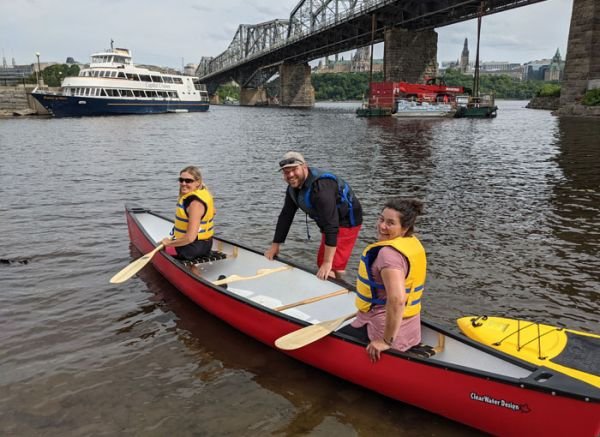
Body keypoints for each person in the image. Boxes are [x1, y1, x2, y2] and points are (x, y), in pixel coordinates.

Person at [340, 198, 426, 363]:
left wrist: (385, 341)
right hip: (410, 330)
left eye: (390, 223)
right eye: (381, 219)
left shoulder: (388, 255)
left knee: (331, 343)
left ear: (404, 228)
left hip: (381, 330)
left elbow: (397, 300)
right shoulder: (412, 243)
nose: (382, 226)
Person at [264, 151, 363, 280]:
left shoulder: (320, 188)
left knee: (331, 266)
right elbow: (286, 216)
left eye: (294, 170)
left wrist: (328, 263)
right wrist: (275, 246)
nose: (291, 175)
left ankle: (337, 284)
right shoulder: (293, 188)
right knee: (321, 261)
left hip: (346, 221)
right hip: (329, 221)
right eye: (286, 172)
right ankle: (332, 276)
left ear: (304, 167)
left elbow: (331, 225)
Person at [161, 166, 215, 260]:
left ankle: (189, 269)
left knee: (161, 249)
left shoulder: (195, 204)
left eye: (188, 181)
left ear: (197, 182)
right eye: (181, 180)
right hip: (205, 245)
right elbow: (213, 212)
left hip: (191, 249)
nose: (183, 183)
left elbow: (190, 238)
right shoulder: (204, 193)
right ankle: (194, 270)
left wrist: (168, 243)